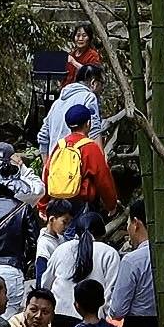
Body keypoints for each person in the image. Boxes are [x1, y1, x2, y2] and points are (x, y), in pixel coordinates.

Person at [43, 99, 120, 239]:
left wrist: (43, 205)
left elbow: (48, 173)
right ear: (88, 124)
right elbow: (103, 179)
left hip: (57, 202)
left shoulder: (60, 145)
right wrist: (111, 205)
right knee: (77, 239)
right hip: (80, 202)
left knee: (61, 237)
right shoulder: (90, 147)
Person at [39, 203, 120, 322]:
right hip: (92, 320)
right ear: (102, 234)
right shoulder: (109, 253)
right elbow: (111, 291)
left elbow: (46, 283)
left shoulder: (62, 249)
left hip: (59, 316)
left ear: (76, 232)